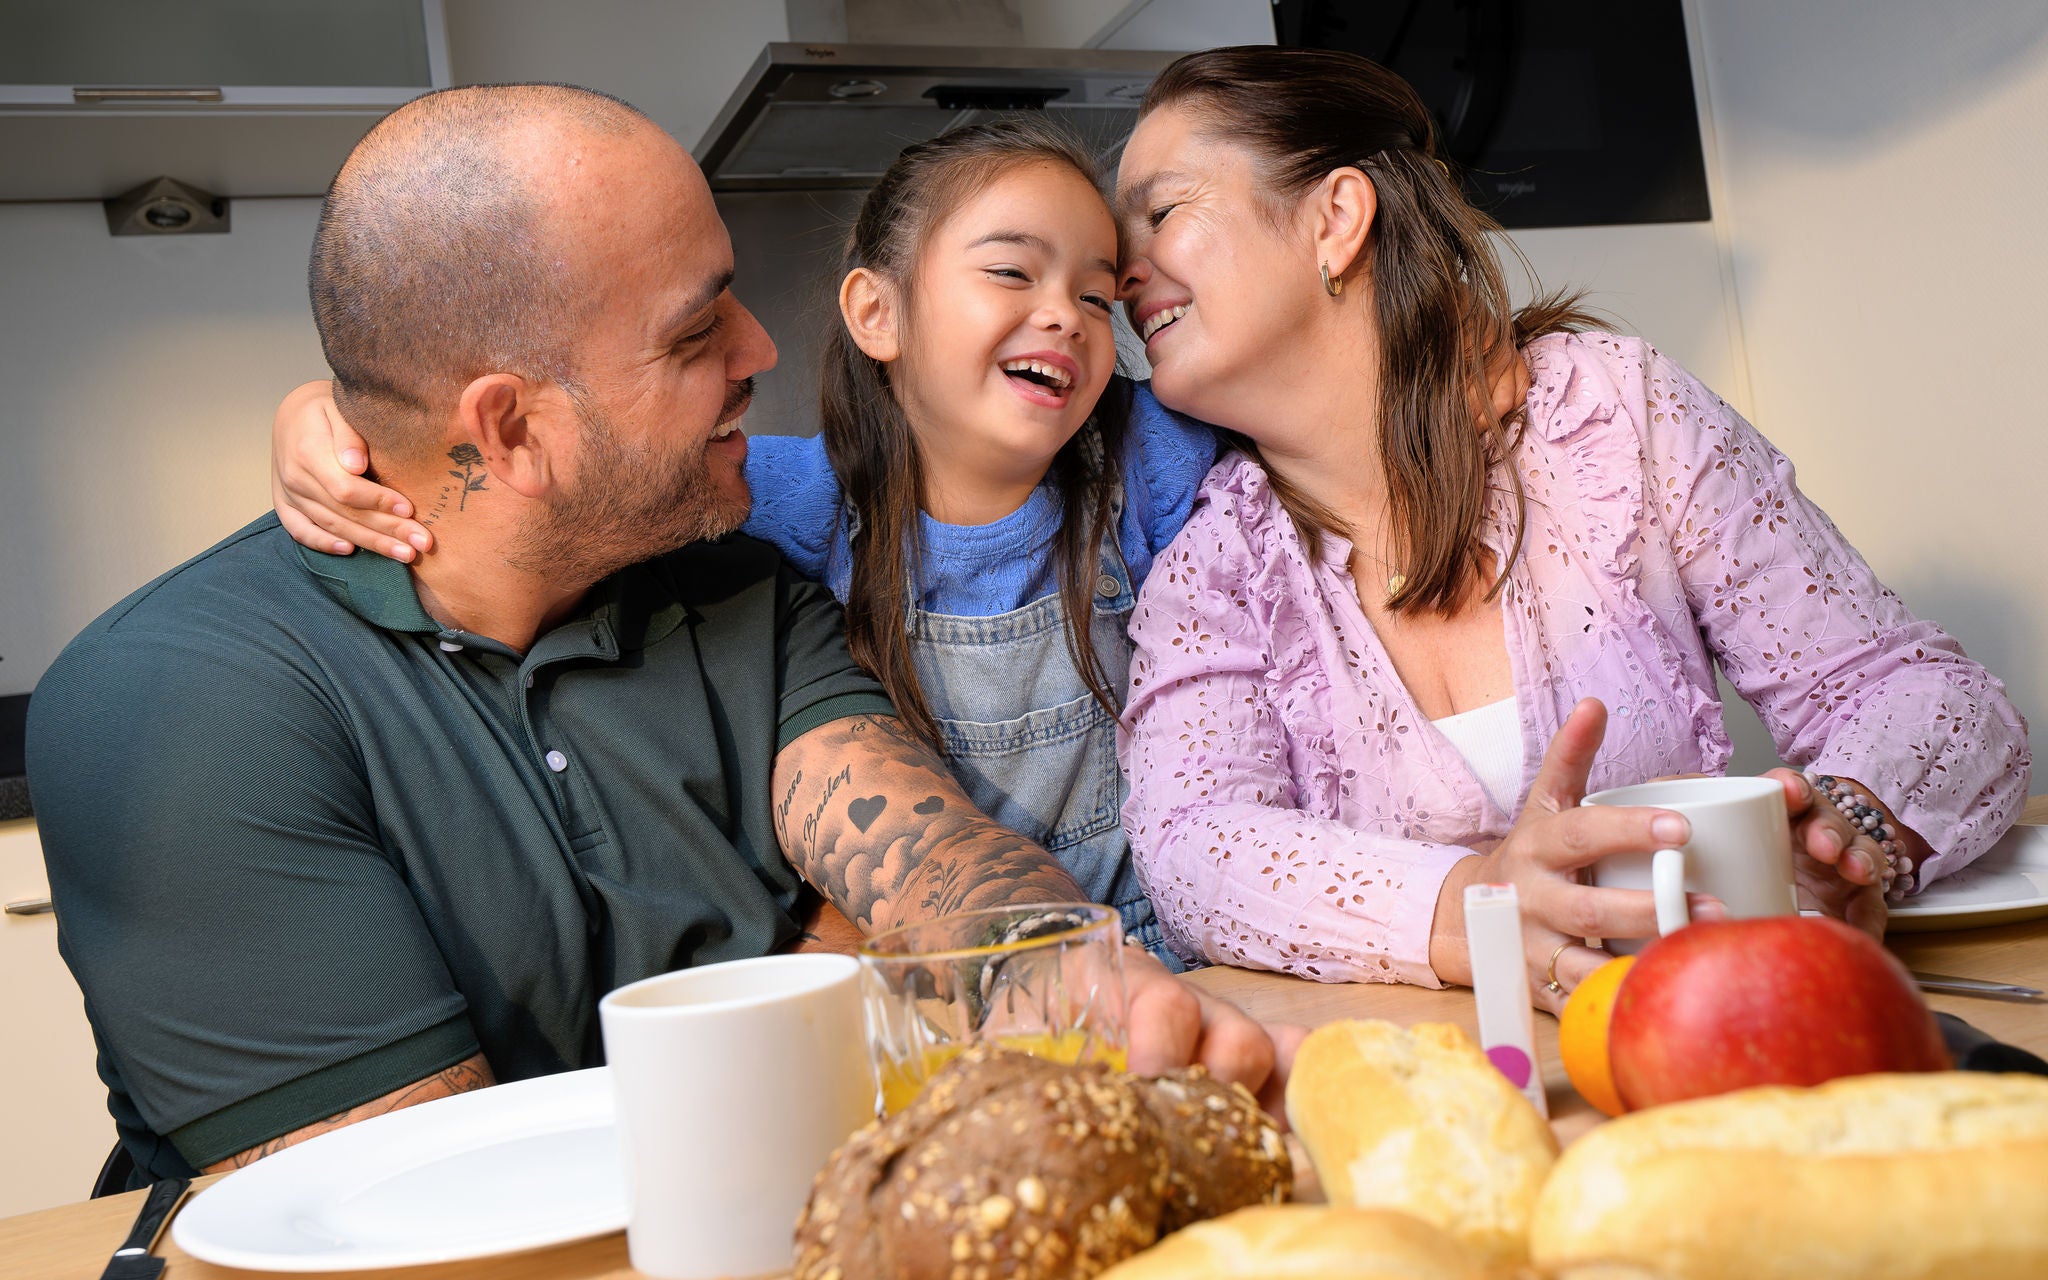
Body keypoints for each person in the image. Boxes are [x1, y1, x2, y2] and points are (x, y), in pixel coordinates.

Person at [27, 84, 1288, 1191]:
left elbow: (933, 868)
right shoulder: (174, 703)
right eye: (696, 334)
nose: (762, 351)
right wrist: (822, 985)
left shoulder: (738, 586)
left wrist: (1072, 982)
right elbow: (423, 1197)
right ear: (510, 431)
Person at [1111, 46, 2031, 1008]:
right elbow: (1192, 849)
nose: (1127, 275)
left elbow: (1922, 693)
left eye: (1164, 213)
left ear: (1335, 220)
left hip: (1706, 1036)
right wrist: (1477, 904)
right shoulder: (1211, 570)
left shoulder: (1616, 414)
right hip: (1448, 1100)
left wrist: (1843, 838)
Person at [271, 119, 1227, 966]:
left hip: (1150, 955)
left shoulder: (1145, 461)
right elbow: (534, 467)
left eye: (1098, 299)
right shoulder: (780, 495)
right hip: (918, 979)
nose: (1064, 312)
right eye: (1013, 271)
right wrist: (316, 414)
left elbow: (1300, 402)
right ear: (875, 314)